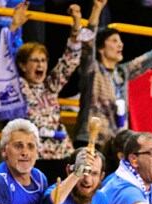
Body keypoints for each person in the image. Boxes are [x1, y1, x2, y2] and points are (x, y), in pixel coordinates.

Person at [75, 0, 152, 147]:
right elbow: (87, 45)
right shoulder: (93, 70)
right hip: (91, 141)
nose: (120, 45)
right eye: (114, 41)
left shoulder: (122, 72)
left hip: (115, 144)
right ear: (100, 48)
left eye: (120, 41)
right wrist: (97, 9)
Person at [12, 1, 103, 182]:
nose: (40, 65)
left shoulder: (50, 86)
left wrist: (76, 27)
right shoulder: (15, 87)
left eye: (43, 61)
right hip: (33, 157)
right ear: (22, 65)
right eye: (34, 61)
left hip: (61, 155)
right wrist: (13, 28)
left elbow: (69, 60)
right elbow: (4, 62)